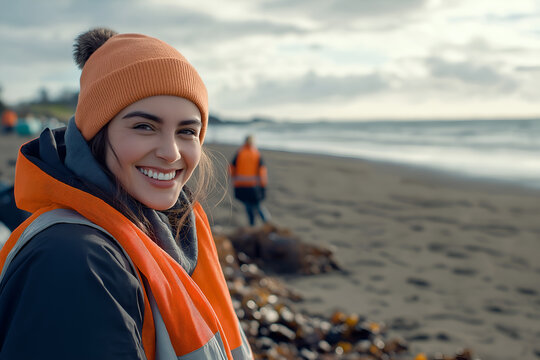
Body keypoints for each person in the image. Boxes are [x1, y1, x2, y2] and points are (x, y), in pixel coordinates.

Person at [0, 28, 252, 360]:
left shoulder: (161, 232)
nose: (171, 152)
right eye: (144, 126)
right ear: (96, 135)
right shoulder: (76, 261)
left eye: (187, 131)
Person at [229, 135, 270, 226]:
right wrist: (263, 185)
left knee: (248, 206)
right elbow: (262, 171)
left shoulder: (240, 153)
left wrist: (233, 179)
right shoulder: (256, 154)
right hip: (253, 186)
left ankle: (252, 224)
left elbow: (231, 168)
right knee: (258, 205)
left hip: (241, 185)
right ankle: (266, 223)